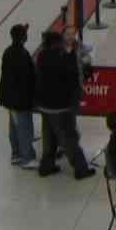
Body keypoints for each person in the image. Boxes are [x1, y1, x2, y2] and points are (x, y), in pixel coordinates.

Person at [33, 28, 96, 178]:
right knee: (69, 138)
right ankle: (81, 169)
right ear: (57, 43)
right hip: (61, 107)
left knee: (49, 136)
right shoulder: (63, 58)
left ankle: (46, 166)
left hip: (44, 105)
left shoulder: (41, 56)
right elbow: (73, 78)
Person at [0, 23, 38, 168]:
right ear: (23, 38)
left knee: (14, 127)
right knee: (24, 127)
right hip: (19, 99)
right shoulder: (22, 54)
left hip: (9, 97)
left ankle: (16, 154)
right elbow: (28, 77)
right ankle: (27, 158)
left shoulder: (8, 51)